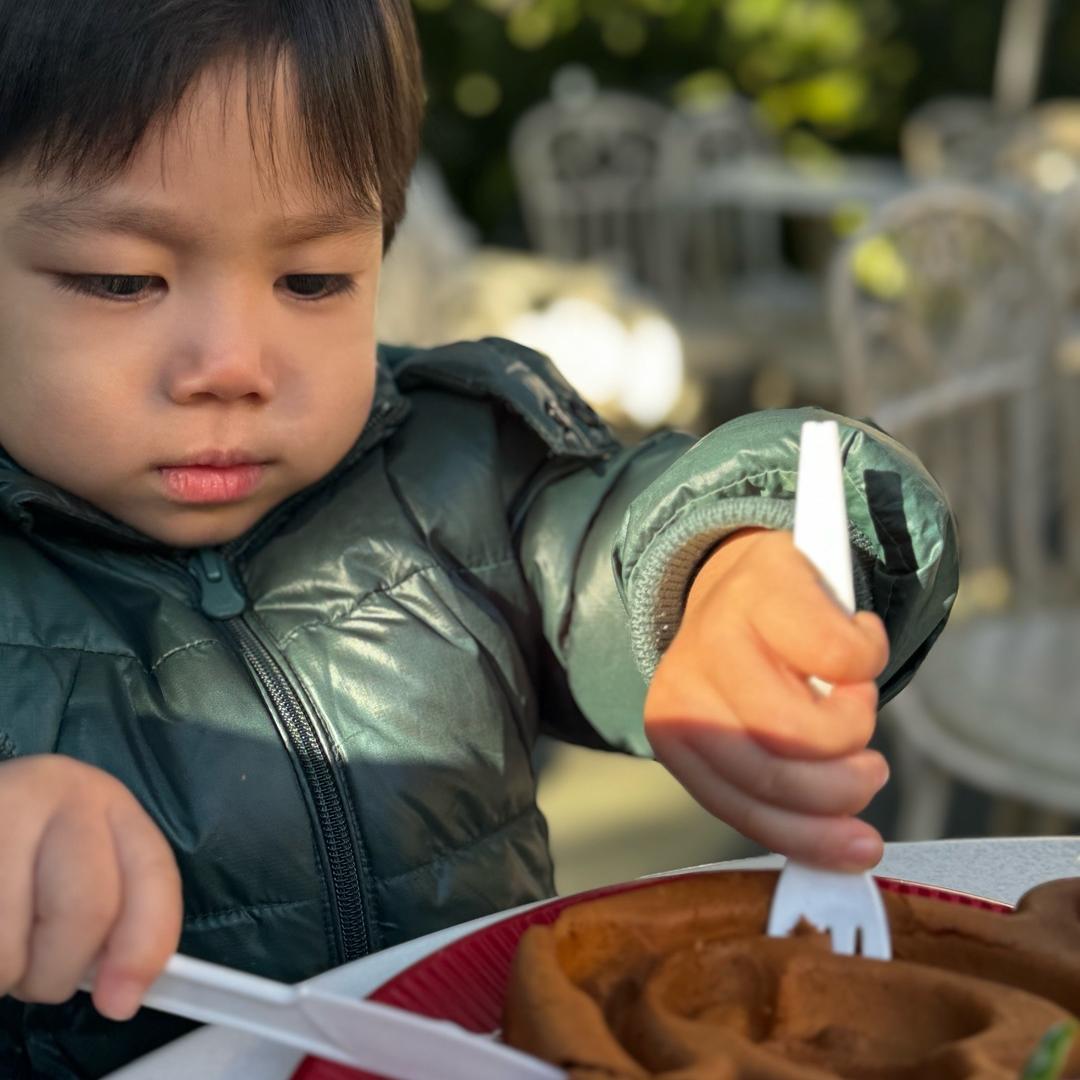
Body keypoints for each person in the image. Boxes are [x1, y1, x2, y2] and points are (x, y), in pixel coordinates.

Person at [0, 1, 957, 1076]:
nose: (233, 363)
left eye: (313, 279)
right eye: (122, 280)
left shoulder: (463, 472)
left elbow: (624, 533)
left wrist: (730, 569)